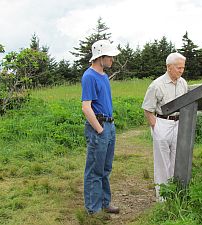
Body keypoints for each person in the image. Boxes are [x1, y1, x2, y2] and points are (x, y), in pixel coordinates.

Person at [141, 52, 188, 201]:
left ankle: (175, 193)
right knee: (162, 162)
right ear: (169, 67)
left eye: (183, 68)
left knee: (176, 159)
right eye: (178, 68)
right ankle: (162, 197)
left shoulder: (183, 83)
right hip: (162, 123)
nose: (181, 71)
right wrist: (156, 128)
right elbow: (148, 109)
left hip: (179, 123)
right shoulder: (156, 85)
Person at [81, 39, 120, 214]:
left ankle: (105, 203)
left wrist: (109, 127)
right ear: (100, 57)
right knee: (95, 170)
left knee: (105, 168)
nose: (112, 59)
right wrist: (99, 129)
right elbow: (86, 107)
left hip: (109, 126)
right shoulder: (89, 76)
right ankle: (93, 210)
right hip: (99, 127)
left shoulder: (103, 76)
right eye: (110, 56)